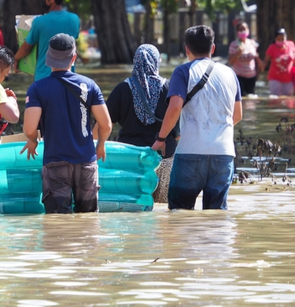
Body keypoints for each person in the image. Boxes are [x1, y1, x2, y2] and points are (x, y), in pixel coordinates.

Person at [151, 25, 243, 210]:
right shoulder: (230, 74)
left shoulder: (183, 72)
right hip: (223, 154)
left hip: (190, 153)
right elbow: (238, 115)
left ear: (187, 49)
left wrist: (161, 138)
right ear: (213, 48)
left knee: (179, 212)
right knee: (216, 216)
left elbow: (175, 107)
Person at [21, 34, 112, 214]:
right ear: (74, 58)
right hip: (86, 162)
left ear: (48, 57)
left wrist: (32, 141)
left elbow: (30, 128)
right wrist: (101, 144)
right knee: (88, 222)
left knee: (57, 223)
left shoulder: (38, 88)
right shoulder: (90, 85)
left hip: (56, 163)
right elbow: (106, 125)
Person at [105, 44, 178, 158]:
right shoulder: (169, 88)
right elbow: (179, 131)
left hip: (129, 154)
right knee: (163, 176)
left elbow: (104, 124)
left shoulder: (122, 89)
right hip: (163, 154)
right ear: (157, 62)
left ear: (135, 61)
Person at [15, 0, 81, 80]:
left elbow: (26, 48)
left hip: (44, 79)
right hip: (68, 80)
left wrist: (15, 59)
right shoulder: (75, 19)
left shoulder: (39, 22)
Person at [260, 28, 295, 96]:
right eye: (278, 39)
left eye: (283, 39)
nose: (281, 41)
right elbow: (266, 60)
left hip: (289, 79)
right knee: (276, 100)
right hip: (275, 79)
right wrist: (262, 66)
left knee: (289, 101)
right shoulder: (272, 48)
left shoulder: (291, 45)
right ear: (275, 39)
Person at [227, 21, 260, 96]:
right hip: (239, 76)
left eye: (244, 29)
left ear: (248, 30)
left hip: (252, 76)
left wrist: (258, 72)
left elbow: (256, 59)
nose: (242, 31)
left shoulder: (253, 43)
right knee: (240, 97)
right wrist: (239, 53)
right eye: (240, 29)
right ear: (237, 32)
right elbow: (230, 61)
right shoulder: (234, 45)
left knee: (250, 97)